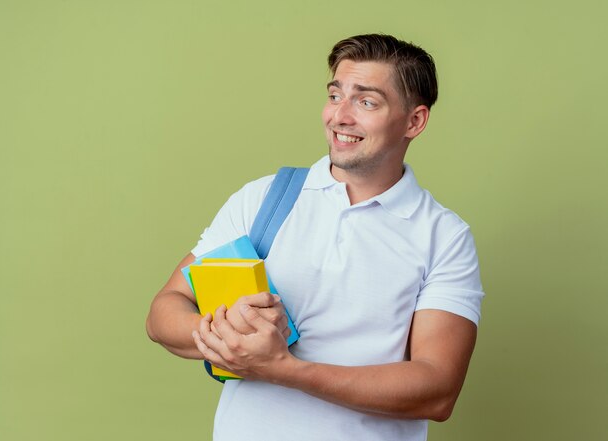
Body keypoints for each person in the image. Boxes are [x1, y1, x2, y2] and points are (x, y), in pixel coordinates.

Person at [146, 33, 484, 441]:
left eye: (366, 101)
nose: (340, 116)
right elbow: (165, 312)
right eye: (336, 94)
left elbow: (436, 389)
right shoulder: (264, 199)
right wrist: (227, 333)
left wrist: (284, 369)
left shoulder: (444, 237)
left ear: (414, 121)